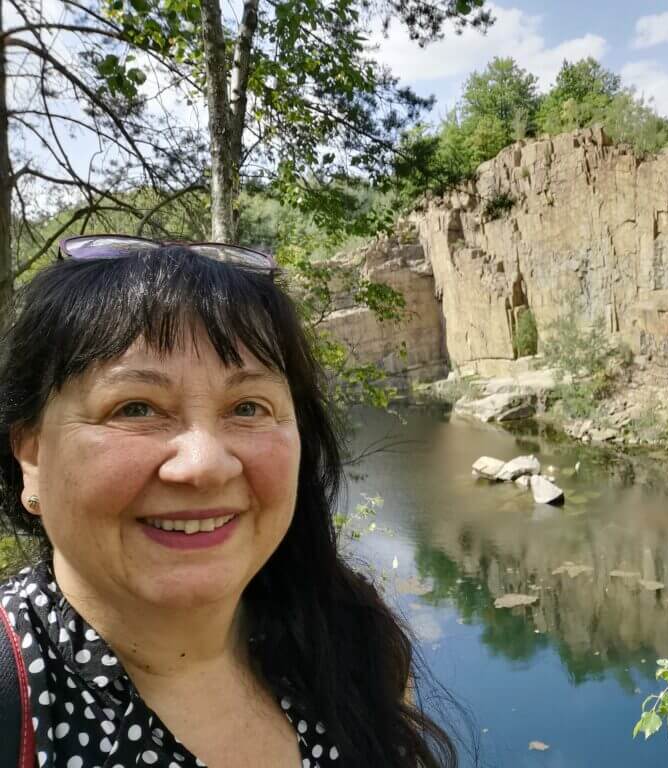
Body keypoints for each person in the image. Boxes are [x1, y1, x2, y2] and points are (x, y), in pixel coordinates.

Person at [0, 237, 457, 767]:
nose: (204, 463)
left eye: (247, 406)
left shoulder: (351, 639)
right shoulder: (17, 697)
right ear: (31, 457)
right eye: (136, 408)